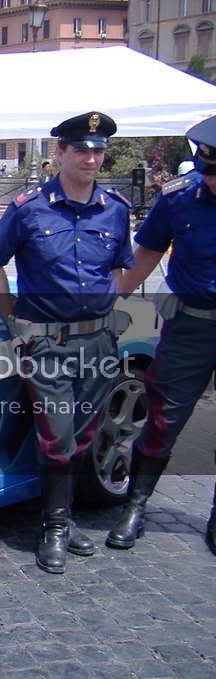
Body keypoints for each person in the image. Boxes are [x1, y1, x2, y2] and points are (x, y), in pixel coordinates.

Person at [0, 111, 133, 574]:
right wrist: (11, 320)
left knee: (84, 432)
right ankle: (52, 526)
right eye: (81, 149)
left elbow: (121, 266)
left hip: (99, 343)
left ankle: (65, 522)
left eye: (98, 150)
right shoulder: (29, 208)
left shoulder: (115, 209)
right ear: (61, 152)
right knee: (57, 437)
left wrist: (110, 309)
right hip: (46, 343)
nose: (91, 157)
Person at [107, 115, 216, 556]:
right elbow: (146, 253)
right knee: (162, 420)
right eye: (206, 172)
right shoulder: (179, 200)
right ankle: (135, 505)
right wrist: (108, 304)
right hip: (191, 326)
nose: (210, 182)